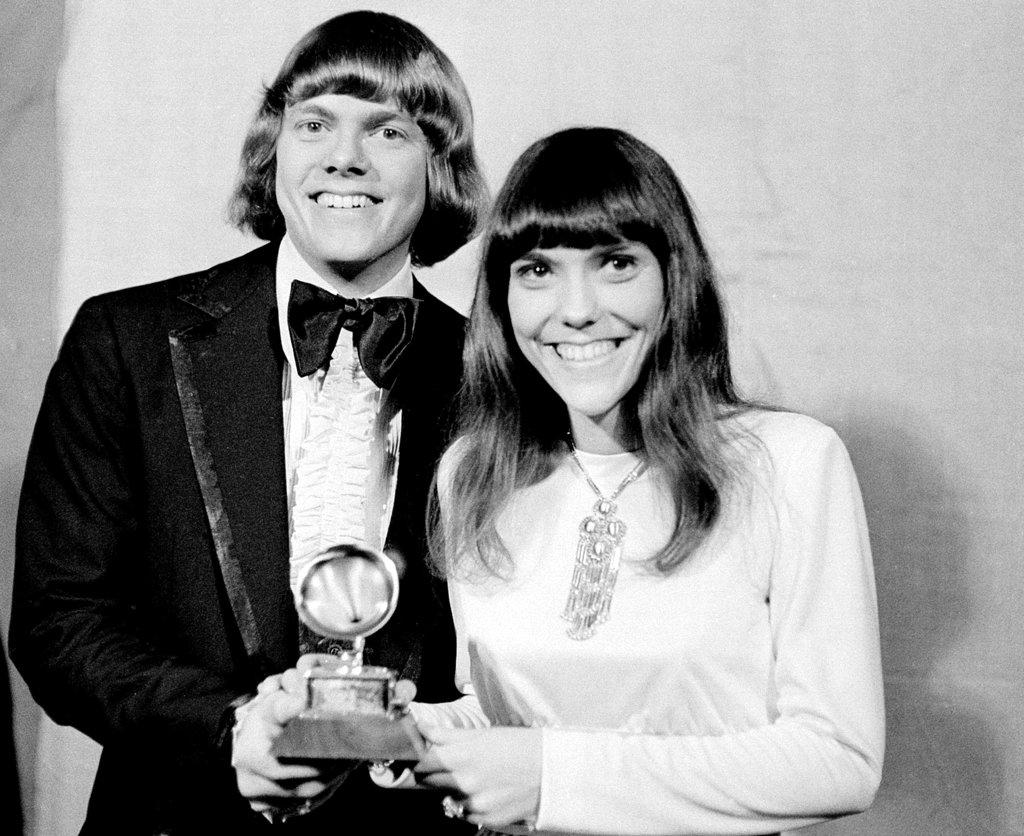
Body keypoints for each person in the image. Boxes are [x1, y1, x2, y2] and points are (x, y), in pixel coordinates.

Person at [10, 11, 485, 833]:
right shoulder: (126, 342)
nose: (346, 156)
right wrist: (232, 727)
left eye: (389, 130)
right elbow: (59, 622)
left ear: (438, 168)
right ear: (276, 155)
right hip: (176, 815)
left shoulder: (499, 373)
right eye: (314, 123)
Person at [409, 127, 885, 834]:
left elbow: (837, 758)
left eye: (615, 264)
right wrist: (383, 723)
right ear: (502, 300)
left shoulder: (790, 463)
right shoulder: (475, 474)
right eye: (538, 270)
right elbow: (503, 709)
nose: (576, 309)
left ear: (674, 277)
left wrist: (553, 778)